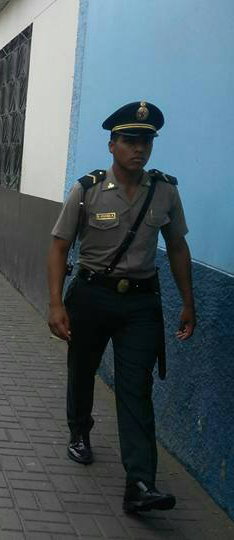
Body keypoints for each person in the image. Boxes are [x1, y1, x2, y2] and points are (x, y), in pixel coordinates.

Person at [46, 101, 195, 513]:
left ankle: (140, 483)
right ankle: (79, 431)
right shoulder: (87, 189)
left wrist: (188, 302)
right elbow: (59, 247)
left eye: (146, 141)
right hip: (91, 296)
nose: (139, 149)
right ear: (112, 145)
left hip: (140, 304)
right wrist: (56, 303)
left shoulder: (165, 191)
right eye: (130, 140)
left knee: (136, 388)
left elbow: (178, 247)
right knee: (82, 369)